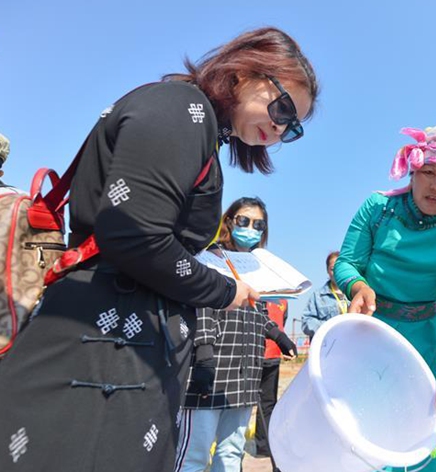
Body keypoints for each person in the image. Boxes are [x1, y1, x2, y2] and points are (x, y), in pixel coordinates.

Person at [0, 27, 318, 472]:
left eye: (293, 126)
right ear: (244, 72)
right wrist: (226, 290)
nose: (280, 127)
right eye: (282, 108)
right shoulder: (180, 108)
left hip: (125, 349)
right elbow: (135, 236)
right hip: (102, 349)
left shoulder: (198, 125)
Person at [334, 123, 436, 472]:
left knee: (422, 438)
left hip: (425, 343)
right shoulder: (378, 208)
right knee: (366, 431)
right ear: (412, 172)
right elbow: (347, 262)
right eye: (428, 172)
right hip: (371, 333)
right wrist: (358, 287)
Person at [175, 197, 297, 472]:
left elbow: (257, 312)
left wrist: (277, 335)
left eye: (258, 224)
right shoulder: (210, 257)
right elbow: (201, 306)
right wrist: (203, 352)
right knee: (194, 454)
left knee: (231, 453)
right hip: (211, 369)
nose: (250, 228)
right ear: (229, 221)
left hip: (245, 373)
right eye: (244, 221)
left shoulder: (256, 266)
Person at [254, 298, 289, 471]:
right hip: (255, 354)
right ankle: (262, 444)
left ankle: (264, 446)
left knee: (268, 402)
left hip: (273, 354)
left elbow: (282, 322)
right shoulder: (256, 296)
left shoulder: (284, 300)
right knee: (249, 404)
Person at [300, 251, 349, 341]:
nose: (337, 272)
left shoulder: (355, 294)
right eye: (332, 269)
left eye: (340, 268)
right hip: (327, 345)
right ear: (327, 271)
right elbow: (306, 322)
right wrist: (329, 327)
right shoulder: (318, 296)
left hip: (351, 344)